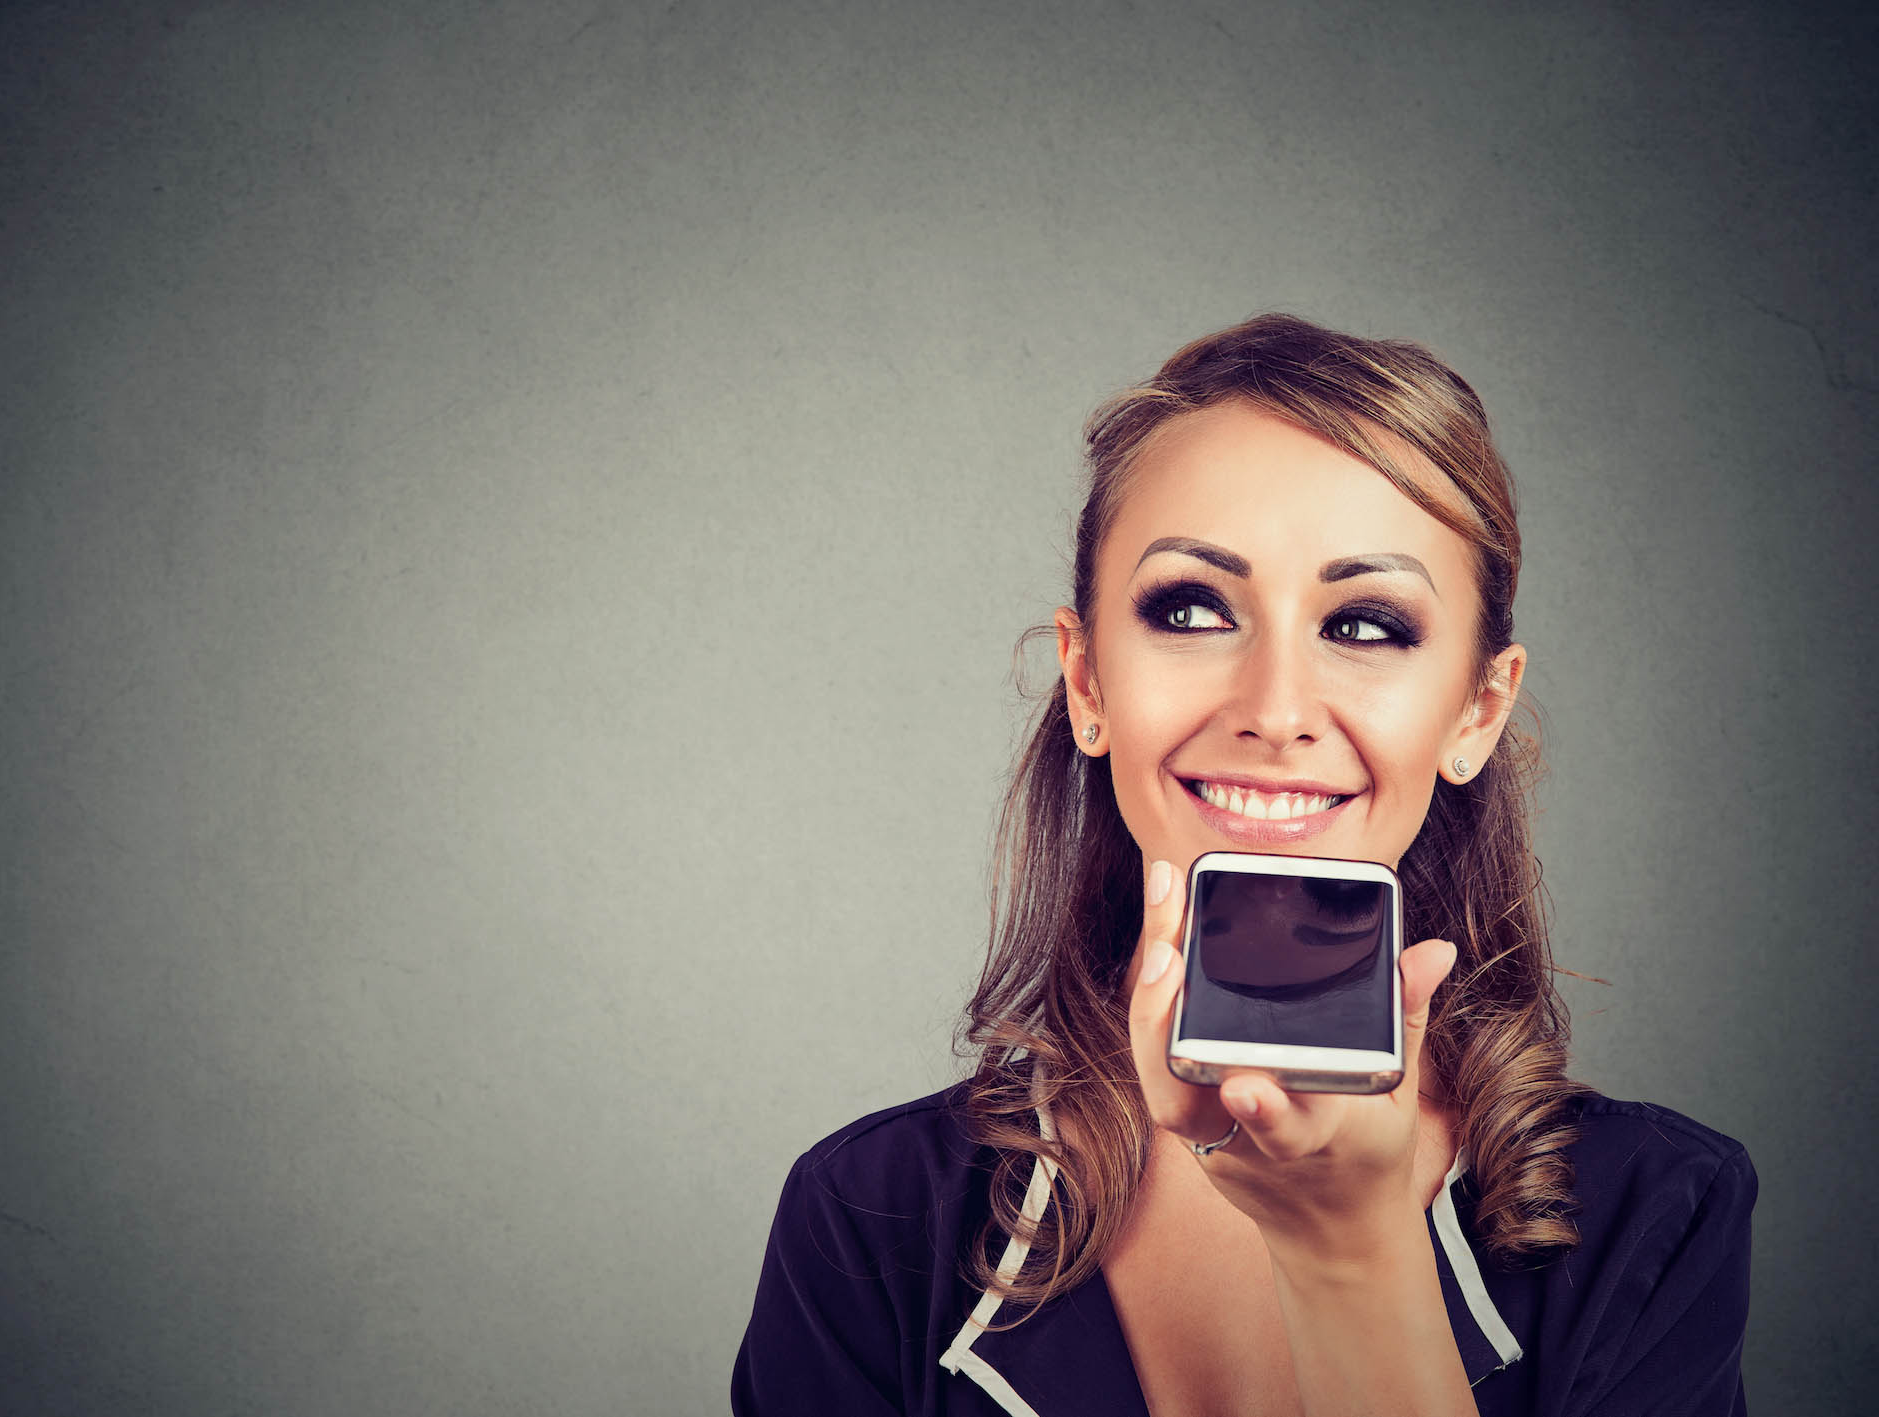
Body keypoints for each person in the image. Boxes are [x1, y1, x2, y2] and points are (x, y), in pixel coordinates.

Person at [731, 314, 1755, 1416]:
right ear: (1086, 684)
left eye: (1363, 625)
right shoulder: (870, 1218)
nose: (1273, 711)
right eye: (1190, 608)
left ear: (1476, 709)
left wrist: (1351, 1256)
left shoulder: (1657, 1213)